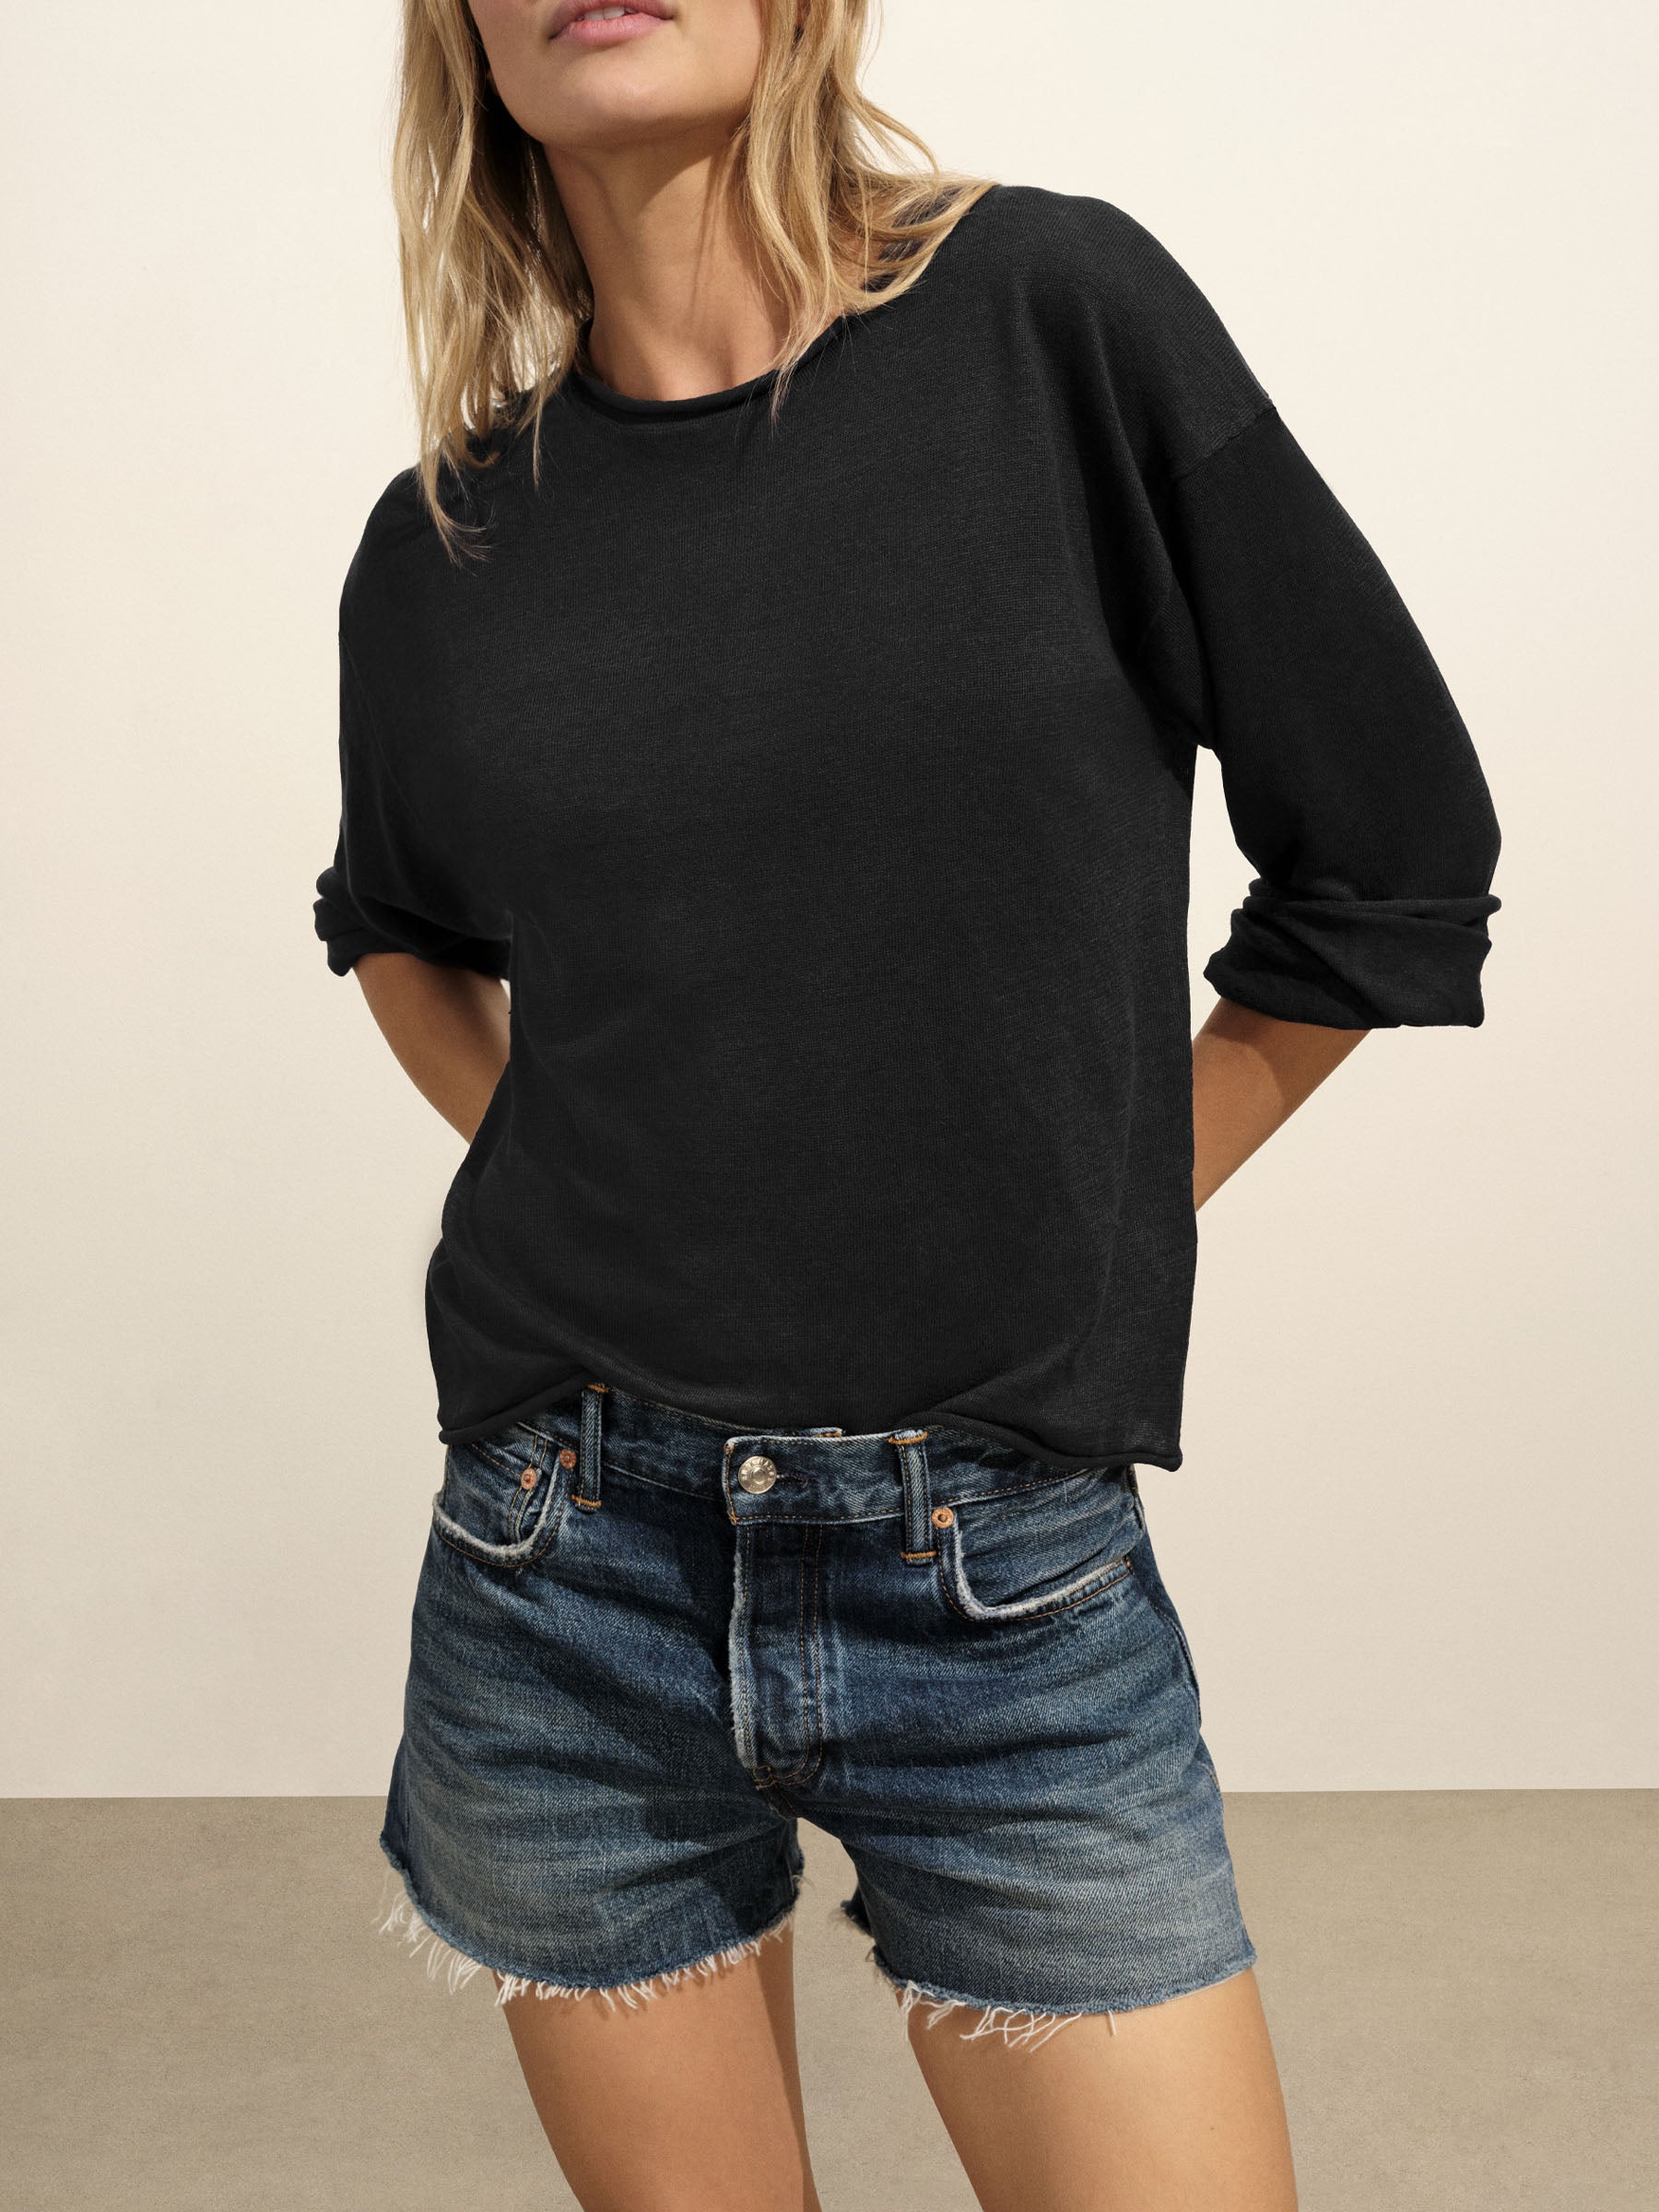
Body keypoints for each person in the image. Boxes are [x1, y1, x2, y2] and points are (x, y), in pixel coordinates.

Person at [312, 2, 1500, 2206]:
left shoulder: (1055, 319)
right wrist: (609, 1172)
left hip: (1001, 1567)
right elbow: (395, 924)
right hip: (563, 1566)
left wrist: (1121, 1188)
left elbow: (1395, 859)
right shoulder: (449, 541)